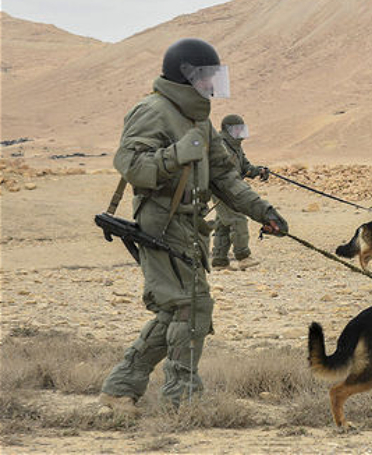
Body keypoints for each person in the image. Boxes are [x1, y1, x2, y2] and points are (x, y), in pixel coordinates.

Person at [98, 38, 288, 415]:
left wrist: (262, 210)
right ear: (185, 75)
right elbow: (130, 165)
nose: (211, 85)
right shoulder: (153, 110)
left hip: (190, 224)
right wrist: (175, 156)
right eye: (206, 77)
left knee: (178, 310)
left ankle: (121, 389)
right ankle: (181, 399)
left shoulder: (199, 119)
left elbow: (224, 177)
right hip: (161, 223)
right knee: (191, 306)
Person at [211, 114, 269, 271]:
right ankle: (243, 256)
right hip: (222, 190)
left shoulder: (236, 146)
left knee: (223, 224)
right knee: (238, 219)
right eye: (236, 129)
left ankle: (219, 261)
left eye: (241, 129)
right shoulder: (219, 145)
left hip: (234, 189)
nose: (240, 132)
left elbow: (245, 167)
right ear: (227, 129)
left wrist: (259, 171)